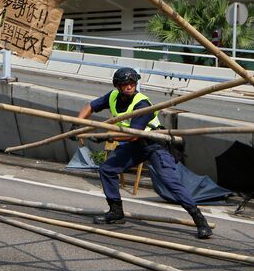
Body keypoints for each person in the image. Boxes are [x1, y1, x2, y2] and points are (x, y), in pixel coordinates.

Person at [73, 67, 212, 239]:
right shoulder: (112, 96)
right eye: (126, 84)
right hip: (134, 145)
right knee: (107, 169)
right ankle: (116, 213)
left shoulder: (142, 104)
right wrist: (78, 124)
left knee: (170, 182)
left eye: (133, 83)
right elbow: (90, 106)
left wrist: (104, 137)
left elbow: (132, 134)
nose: (130, 87)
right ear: (118, 85)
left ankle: (199, 220)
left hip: (153, 144)